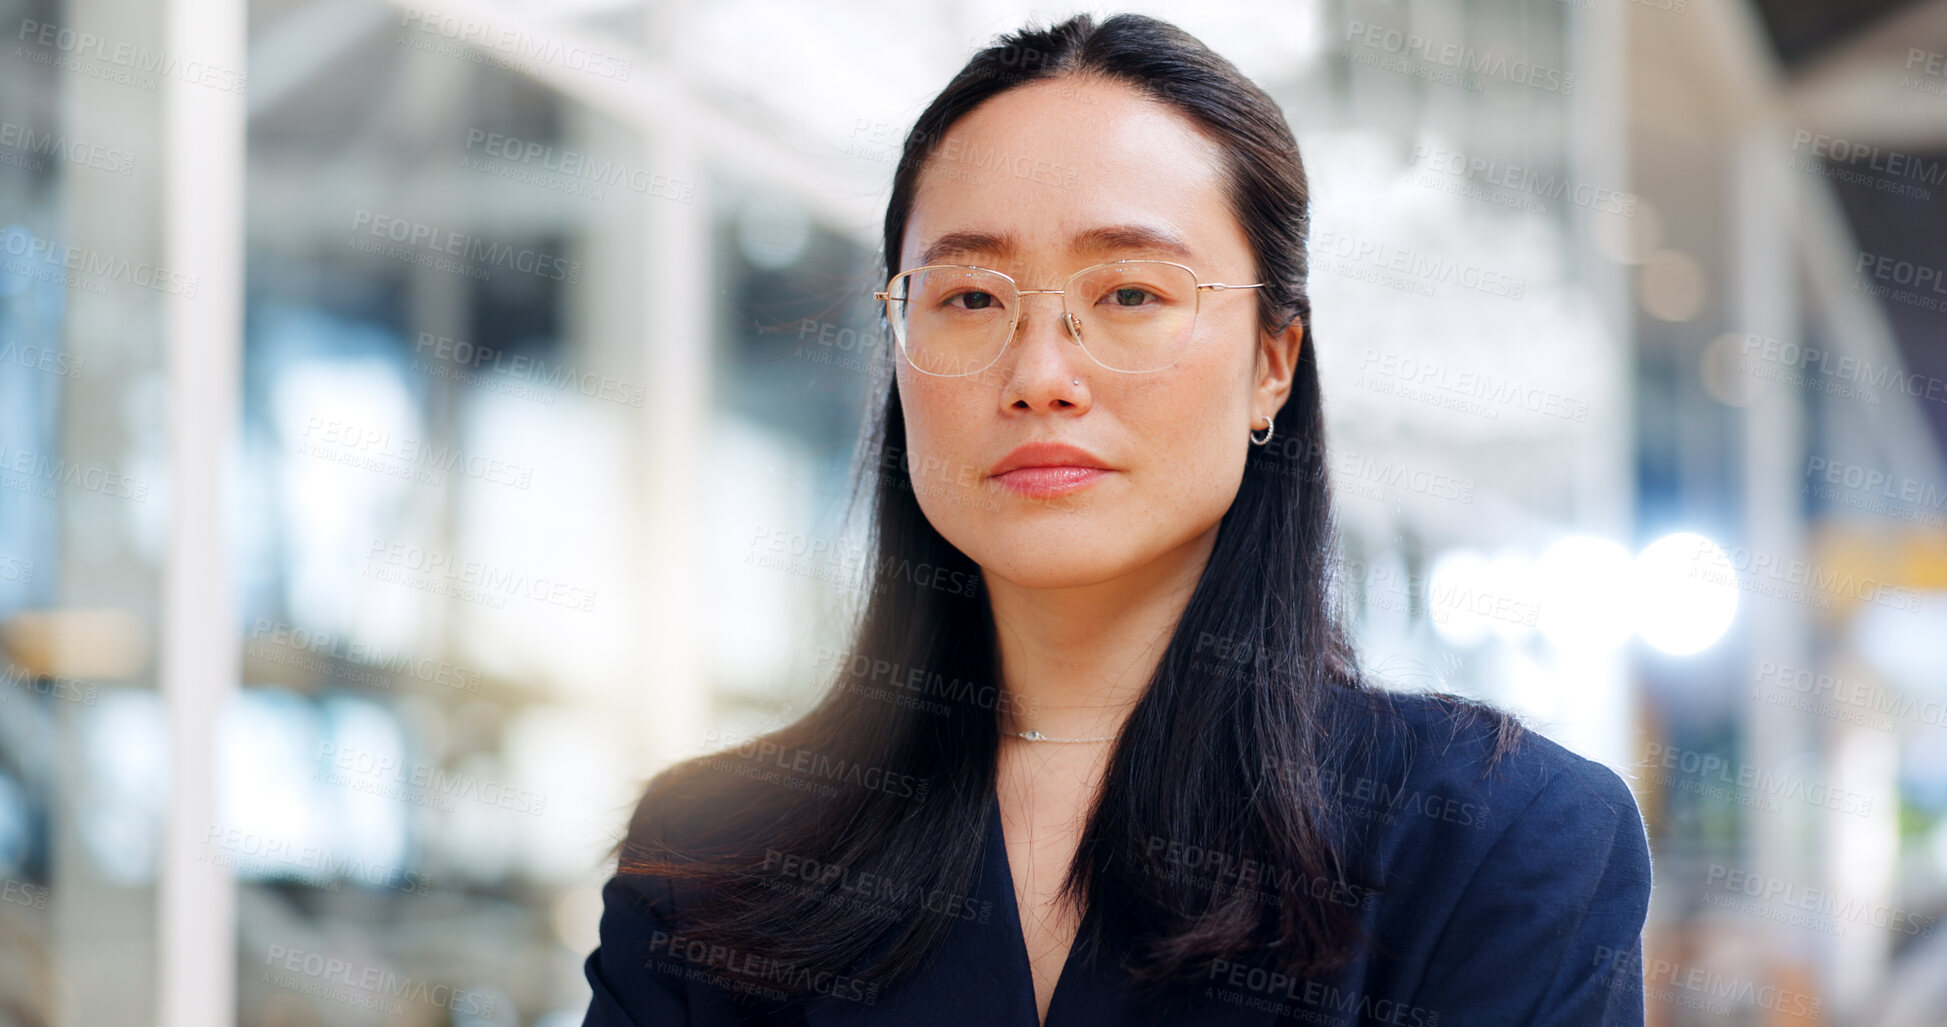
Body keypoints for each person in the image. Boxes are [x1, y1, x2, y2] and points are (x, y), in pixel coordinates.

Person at [582, 12, 1652, 1026]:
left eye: (1130, 294)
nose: (1040, 374)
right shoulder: (712, 853)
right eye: (968, 298)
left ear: (1271, 365)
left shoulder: (1493, 842)